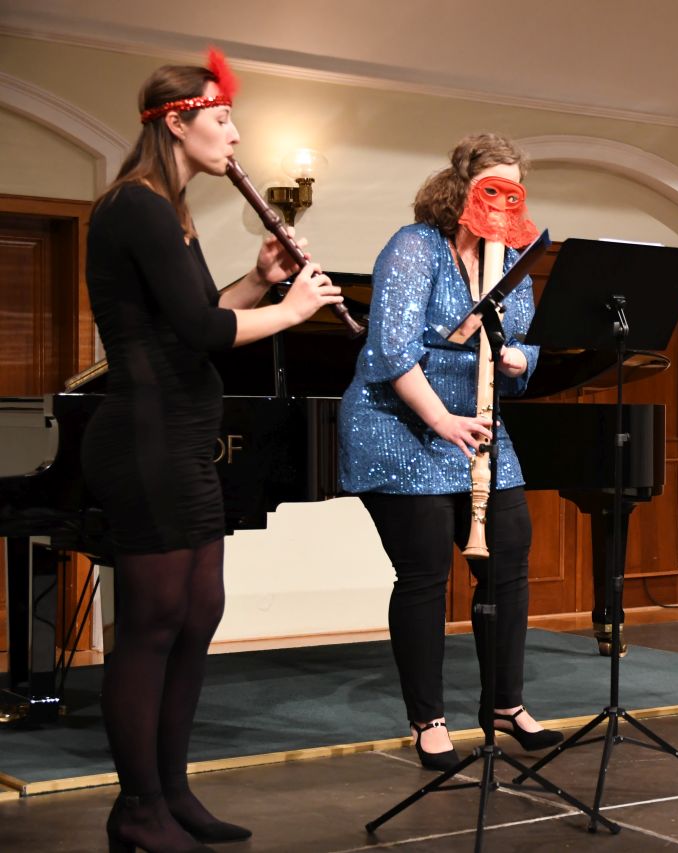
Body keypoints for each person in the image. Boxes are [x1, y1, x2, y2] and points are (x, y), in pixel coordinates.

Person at [83, 51, 344, 853]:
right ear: (177, 121)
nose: (234, 135)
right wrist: (295, 309)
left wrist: (260, 280)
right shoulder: (136, 206)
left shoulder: (172, 210)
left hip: (184, 438)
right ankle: (137, 808)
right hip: (145, 439)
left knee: (198, 615)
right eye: (222, 118)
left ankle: (172, 792)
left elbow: (198, 311)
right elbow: (203, 332)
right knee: (153, 623)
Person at [339, 133, 562, 772]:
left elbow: (526, 341)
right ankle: (428, 720)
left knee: (509, 559)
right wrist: (441, 420)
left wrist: (519, 359)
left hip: (480, 424)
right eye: (494, 187)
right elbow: (390, 348)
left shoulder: (511, 261)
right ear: (463, 188)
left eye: (515, 190)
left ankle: (505, 704)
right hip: (402, 424)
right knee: (425, 571)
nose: (506, 200)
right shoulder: (416, 247)